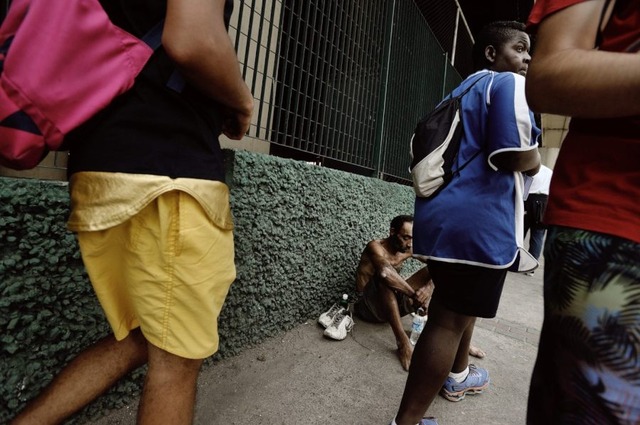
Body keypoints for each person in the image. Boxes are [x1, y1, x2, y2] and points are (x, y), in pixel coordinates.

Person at [10, 1, 254, 424]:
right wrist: (242, 99)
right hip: (168, 177)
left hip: (101, 163)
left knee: (145, 336)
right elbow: (191, 39)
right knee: (176, 361)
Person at [391, 21, 541, 425]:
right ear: (492, 53)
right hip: (480, 223)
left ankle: (457, 377)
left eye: (530, 51)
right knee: (448, 320)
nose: (528, 57)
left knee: (455, 309)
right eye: (520, 48)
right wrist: (538, 159)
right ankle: (407, 422)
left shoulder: (461, 89)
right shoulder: (506, 85)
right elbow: (514, 153)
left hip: (443, 219)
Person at [525, 1, 640, 423]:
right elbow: (550, 73)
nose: (523, 55)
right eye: (518, 49)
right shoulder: (496, 89)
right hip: (617, 223)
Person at [352, 215, 485, 372]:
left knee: (434, 269)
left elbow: (441, 263)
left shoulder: (408, 249)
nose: (409, 244)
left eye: (413, 238)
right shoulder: (375, 247)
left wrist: (429, 287)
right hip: (368, 308)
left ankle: (459, 341)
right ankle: (402, 342)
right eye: (406, 238)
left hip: (390, 306)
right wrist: (413, 295)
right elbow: (385, 273)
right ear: (392, 232)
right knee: (385, 278)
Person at [523, 164, 552, 273]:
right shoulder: (549, 172)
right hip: (544, 203)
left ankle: (516, 260)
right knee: (538, 236)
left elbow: (524, 189)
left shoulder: (530, 170)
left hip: (528, 201)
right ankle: (531, 267)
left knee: (520, 233)